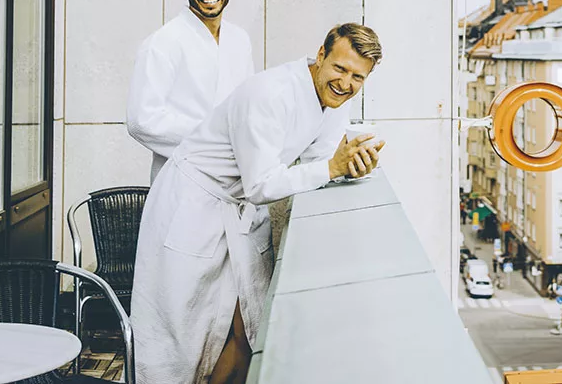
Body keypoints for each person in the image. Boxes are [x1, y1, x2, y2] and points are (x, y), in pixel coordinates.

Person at [131, 23, 385, 384]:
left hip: (238, 215)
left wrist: (351, 167)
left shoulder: (333, 102)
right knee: (180, 336)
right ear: (321, 55)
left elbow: (323, 160)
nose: (345, 83)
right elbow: (262, 184)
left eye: (357, 77)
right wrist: (332, 167)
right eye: (340, 68)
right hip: (192, 207)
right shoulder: (270, 93)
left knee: (245, 327)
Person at [127, 0, 254, 183]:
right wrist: (217, 136)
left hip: (236, 178)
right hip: (182, 181)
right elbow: (141, 121)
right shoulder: (163, 43)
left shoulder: (239, 39)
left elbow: (246, 106)